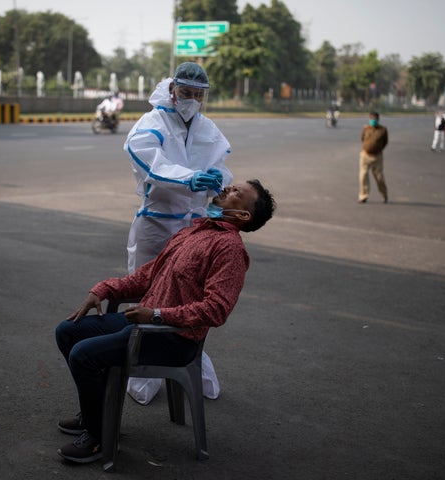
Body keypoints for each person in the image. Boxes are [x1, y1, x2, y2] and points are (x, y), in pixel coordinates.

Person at [54, 180, 276, 464]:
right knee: (68, 332)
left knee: (83, 355)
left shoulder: (229, 249)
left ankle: (99, 438)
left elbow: (216, 310)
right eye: (231, 186)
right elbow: (148, 276)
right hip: (141, 326)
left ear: (243, 215)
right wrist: (104, 289)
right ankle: (97, 416)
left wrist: (158, 316)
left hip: (172, 339)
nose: (225, 189)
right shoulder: (194, 231)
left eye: (236, 193)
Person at [122, 62, 232, 404]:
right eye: (186, 92)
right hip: (157, 224)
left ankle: (186, 367)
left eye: (199, 94)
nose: (192, 99)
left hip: (193, 226)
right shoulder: (153, 122)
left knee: (188, 300)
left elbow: (222, 167)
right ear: (172, 90)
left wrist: (218, 179)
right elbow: (147, 160)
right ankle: (143, 374)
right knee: (148, 295)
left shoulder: (207, 127)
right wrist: (188, 179)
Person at [358, 111, 389, 204]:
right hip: (365, 155)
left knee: (379, 177)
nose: (373, 120)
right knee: (363, 176)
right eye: (371, 119)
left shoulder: (383, 130)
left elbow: (385, 142)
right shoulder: (366, 128)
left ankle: (384, 194)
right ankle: (363, 195)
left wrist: (378, 149)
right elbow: (362, 139)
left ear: (378, 119)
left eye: (374, 119)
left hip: (377, 157)